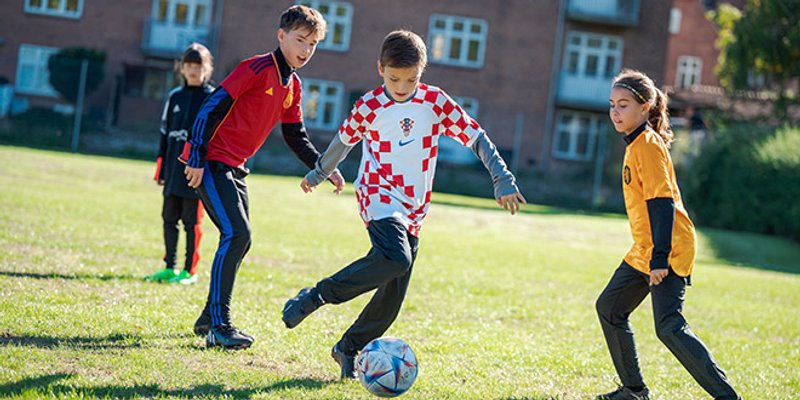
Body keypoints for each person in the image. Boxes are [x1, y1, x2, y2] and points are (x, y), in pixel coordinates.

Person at [281, 30, 526, 379]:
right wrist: (320, 172)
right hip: (378, 193)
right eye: (394, 78)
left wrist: (501, 177)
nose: (401, 85)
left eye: (410, 79)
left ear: (421, 72)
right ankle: (315, 296)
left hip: (414, 207)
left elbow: (476, 136)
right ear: (380, 68)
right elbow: (343, 141)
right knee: (396, 258)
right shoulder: (369, 105)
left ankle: (348, 348)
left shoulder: (434, 102)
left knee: (392, 298)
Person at [179, 5, 344, 350]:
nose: (305, 50)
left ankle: (209, 318)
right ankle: (219, 326)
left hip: (236, 167)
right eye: (300, 40)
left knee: (241, 238)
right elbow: (212, 106)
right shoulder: (254, 68)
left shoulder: (293, 85)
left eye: (312, 44)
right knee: (237, 234)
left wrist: (324, 168)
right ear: (281, 35)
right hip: (211, 161)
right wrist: (195, 155)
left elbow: (295, 134)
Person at [596, 69, 739, 400]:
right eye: (612, 105)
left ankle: (728, 397)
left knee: (669, 327)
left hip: (668, 248)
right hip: (646, 248)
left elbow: (662, 203)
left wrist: (659, 259)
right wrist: (651, 253)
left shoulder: (647, 144)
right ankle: (634, 391)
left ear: (644, 108)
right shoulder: (635, 144)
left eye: (624, 105)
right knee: (610, 308)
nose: (615, 112)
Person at [145, 43, 214, 285]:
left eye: (198, 66)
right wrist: (161, 170)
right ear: (182, 68)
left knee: (191, 222)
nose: (193, 70)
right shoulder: (175, 96)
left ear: (207, 68)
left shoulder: (212, 98)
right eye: (189, 66)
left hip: (196, 175)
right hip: (173, 173)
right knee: (168, 219)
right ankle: (169, 267)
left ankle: (189, 271)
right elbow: (164, 134)